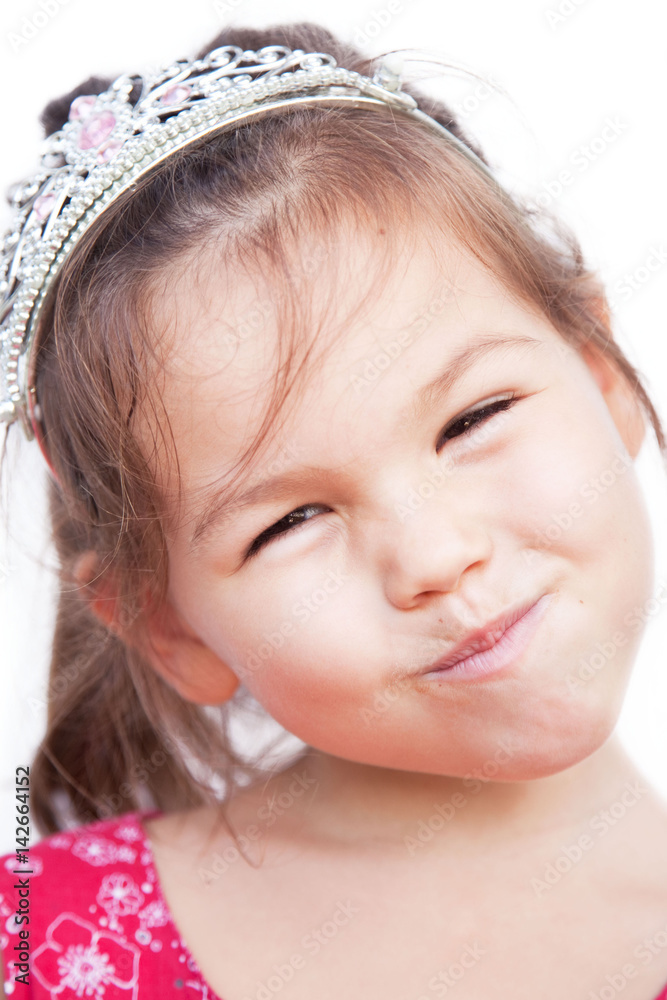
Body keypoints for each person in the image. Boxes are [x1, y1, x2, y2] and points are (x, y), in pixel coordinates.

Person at [1, 18, 666, 1000]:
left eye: (472, 416)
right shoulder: (34, 949)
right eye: (288, 522)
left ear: (601, 371)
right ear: (168, 623)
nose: (434, 555)